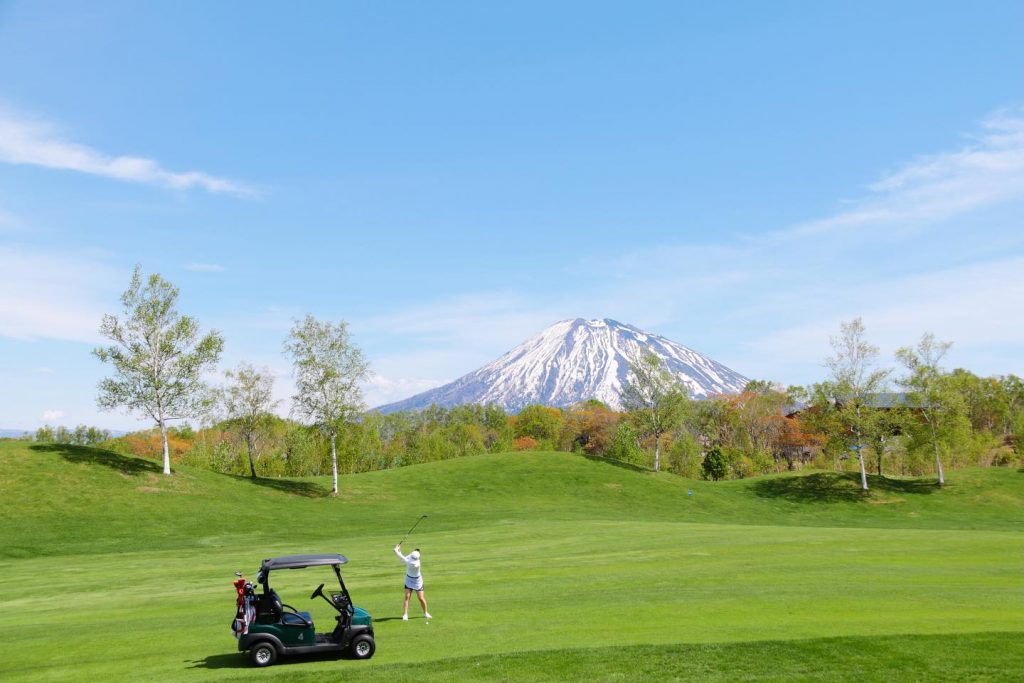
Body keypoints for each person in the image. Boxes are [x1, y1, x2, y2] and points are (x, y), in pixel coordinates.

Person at [394, 543, 431, 620]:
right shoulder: (412, 557)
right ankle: (405, 615)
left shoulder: (415, 563)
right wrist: (399, 550)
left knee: (421, 598)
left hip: (417, 581)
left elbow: (403, 559)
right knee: (407, 597)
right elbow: (402, 559)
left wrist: (396, 550)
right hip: (409, 579)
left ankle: (425, 613)